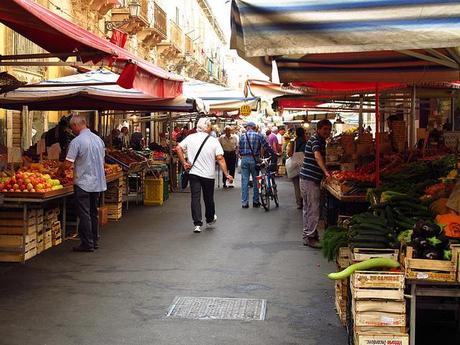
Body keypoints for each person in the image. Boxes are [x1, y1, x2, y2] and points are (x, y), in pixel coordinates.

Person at [58, 115, 107, 252]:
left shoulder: (77, 141)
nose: (72, 130)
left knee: (84, 213)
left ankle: (87, 243)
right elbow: (103, 160)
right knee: (93, 212)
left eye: (72, 127)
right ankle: (95, 240)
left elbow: (68, 163)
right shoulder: (98, 140)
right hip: (97, 182)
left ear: (75, 125)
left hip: (83, 183)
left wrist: (60, 170)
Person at [176, 117, 234, 233]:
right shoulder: (213, 141)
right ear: (206, 127)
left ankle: (197, 224)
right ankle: (209, 219)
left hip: (194, 174)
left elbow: (178, 147)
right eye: (210, 125)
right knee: (208, 198)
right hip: (208, 174)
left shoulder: (190, 138)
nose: (211, 127)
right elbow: (220, 158)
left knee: (195, 198)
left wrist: (184, 163)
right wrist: (226, 174)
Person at [299, 119, 332, 248]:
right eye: (325, 129)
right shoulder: (315, 140)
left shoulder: (320, 140)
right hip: (309, 179)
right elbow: (317, 155)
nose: (327, 132)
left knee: (308, 209)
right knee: (313, 209)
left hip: (308, 178)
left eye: (329, 129)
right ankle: (310, 237)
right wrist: (326, 172)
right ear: (318, 129)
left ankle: (308, 234)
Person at [238, 121, 273, 208]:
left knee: (244, 181)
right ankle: (255, 201)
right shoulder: (259, 135)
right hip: (255, 160)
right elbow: (266, 146)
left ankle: (244, 203)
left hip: (244, 159)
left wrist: (241, 155)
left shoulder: (242, 136)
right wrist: (273, 154)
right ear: (254, 127)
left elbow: (238, 149)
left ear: (248, 127)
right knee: (256, 180)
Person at [287, 127, 307, 209]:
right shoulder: (307, 142)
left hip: (295, 165)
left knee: (296, 185)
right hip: (304, 164)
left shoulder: (293, 142)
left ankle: (299, 202)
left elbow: (289, 154)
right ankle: (305, 200)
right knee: (305, 184)